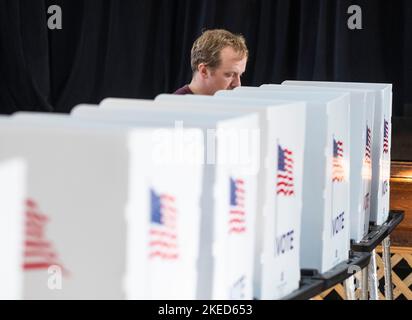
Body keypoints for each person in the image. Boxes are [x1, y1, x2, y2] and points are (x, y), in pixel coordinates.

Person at [174, 29, 248, 95]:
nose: (238, 84)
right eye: (230, 74)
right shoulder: (174, 107)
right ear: (204, 71)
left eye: (240, 75)